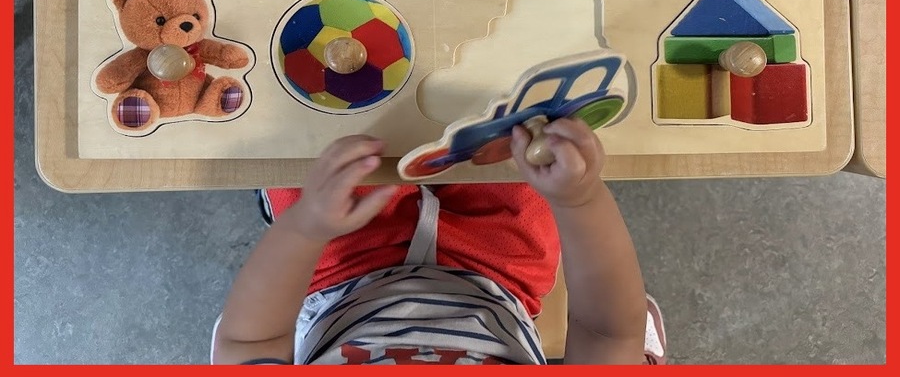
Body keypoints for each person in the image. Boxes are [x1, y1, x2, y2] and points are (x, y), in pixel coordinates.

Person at [211, 118, 667, 365]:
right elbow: (605, 331)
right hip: (499, 273)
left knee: (312, 130)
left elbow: (248, 342)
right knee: (524, 131)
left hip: (341, 276)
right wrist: (580, 201)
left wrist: (304, 228)